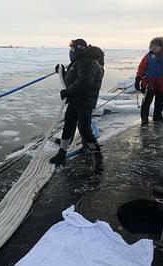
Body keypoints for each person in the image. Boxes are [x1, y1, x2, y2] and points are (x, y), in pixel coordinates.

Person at [49, 39, 105, 172]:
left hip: (84, 102)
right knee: (68, 125)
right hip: (75, 101)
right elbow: (72, 78)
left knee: (85, 129)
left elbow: (84, 82)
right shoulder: (80, 61)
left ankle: (97, 156)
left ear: (78, 49)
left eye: (72, 49)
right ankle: (62, 153)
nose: (71, 52)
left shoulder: (88, 62)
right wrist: (62, 71)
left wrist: (67, 92)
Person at [135, 37, 163, 125]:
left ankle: (157, 117)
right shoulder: (148, 56)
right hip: (149, 83)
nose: (154, 48)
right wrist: (138, 79)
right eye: (153, 45)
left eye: (157, 46)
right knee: (146, 101)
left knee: (159, 102)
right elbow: (141, 68)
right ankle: (144, 119)